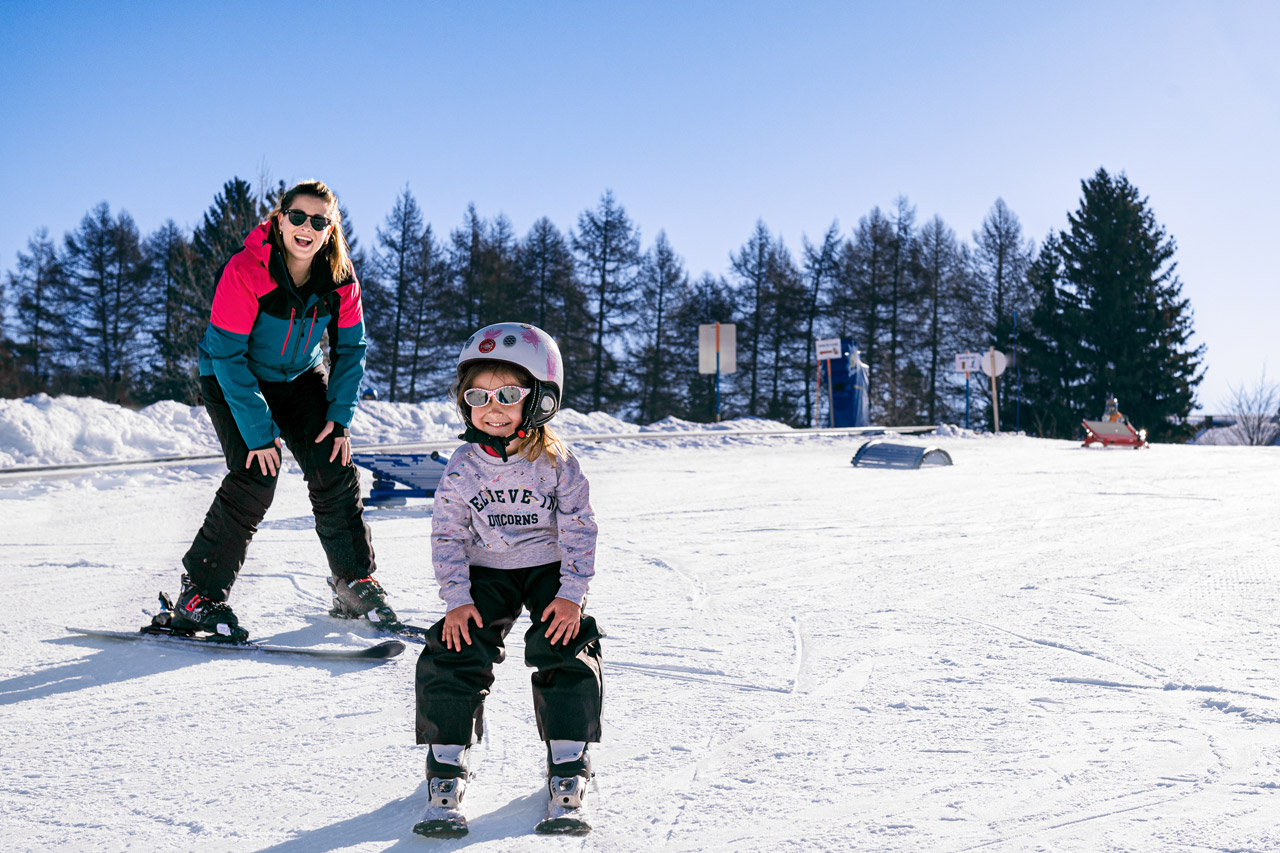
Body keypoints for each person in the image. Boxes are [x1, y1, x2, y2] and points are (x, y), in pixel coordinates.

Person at [168, 180, 398, 641]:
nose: (306, 228)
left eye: (319, 221)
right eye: (298, 217)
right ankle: (199, 596)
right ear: (279, 219)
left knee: (334, 462)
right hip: (232, 375)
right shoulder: (247, 270)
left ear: (330, 230)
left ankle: (353, 582)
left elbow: (352, 350)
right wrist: (258, 433)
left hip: (299, 377)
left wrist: (340, 416)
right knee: (256, 474)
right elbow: (229, 357)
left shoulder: (340, 278)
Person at [413, 322, 603, 837]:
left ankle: (568, 762)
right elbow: (447, 535)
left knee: (565, 642)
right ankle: (447, 763)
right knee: (455, 646)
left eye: (508, 395)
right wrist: (456, 598)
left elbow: (580, 528)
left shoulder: (557, 463)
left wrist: (571, 596)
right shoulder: (460, 468)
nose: (492, 407)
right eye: (478, 396)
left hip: (547, 569)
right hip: (485, 571)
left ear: (540, 400)